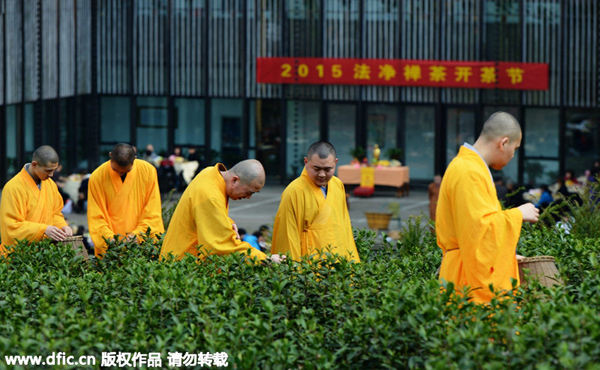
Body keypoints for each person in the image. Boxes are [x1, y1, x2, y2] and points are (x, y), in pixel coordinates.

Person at [436, 112, 539, 304]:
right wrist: (518, 214)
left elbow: (477, 229)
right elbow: (478, 230)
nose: (513, 155)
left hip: (467, 266)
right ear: (503, 143)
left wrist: (506, 254)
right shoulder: (468, 171)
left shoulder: (471, 167)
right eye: (515, 148)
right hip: (466, 277)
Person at [160, 159, 283, 263]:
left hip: (178, 260)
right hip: (181, 267)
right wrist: (266, 259)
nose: (248, 197)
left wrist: (226, 222)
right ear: (235, 180)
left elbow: (203, 215)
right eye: (249, 192)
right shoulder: (210, 196)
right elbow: (221, 246)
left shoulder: (209, 173)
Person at [271, 141, 360, 262]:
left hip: (339, 263)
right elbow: (287, 236)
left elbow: (344, 227)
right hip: (309, 267)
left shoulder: (338, 184)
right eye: (316, 169)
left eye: (328, 169)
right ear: (306, 162)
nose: (322, 174)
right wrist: (293, 272)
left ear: (336, 163)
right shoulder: (294, 191)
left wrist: (351, 262)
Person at [87, 143, 164, 258]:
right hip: (111, 246)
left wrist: (137, 235)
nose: (119, 174)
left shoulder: (148, 171)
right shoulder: (97, 177)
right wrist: (110, 239)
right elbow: (96, 216)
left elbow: (153, 211)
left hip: (141, 243)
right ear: (110, 155)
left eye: (125, 171)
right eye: (115, 170)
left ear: (135, 159)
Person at [0, 145, 73, 256]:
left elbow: (55, 213)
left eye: (54, 170)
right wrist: (42, 230)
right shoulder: (13, 188)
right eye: (48, 170)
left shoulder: (51, 185)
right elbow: (11, 227)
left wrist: (63, 226)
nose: (51, 175)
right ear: (34, 164)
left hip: (44, 253)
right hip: (19, 256)